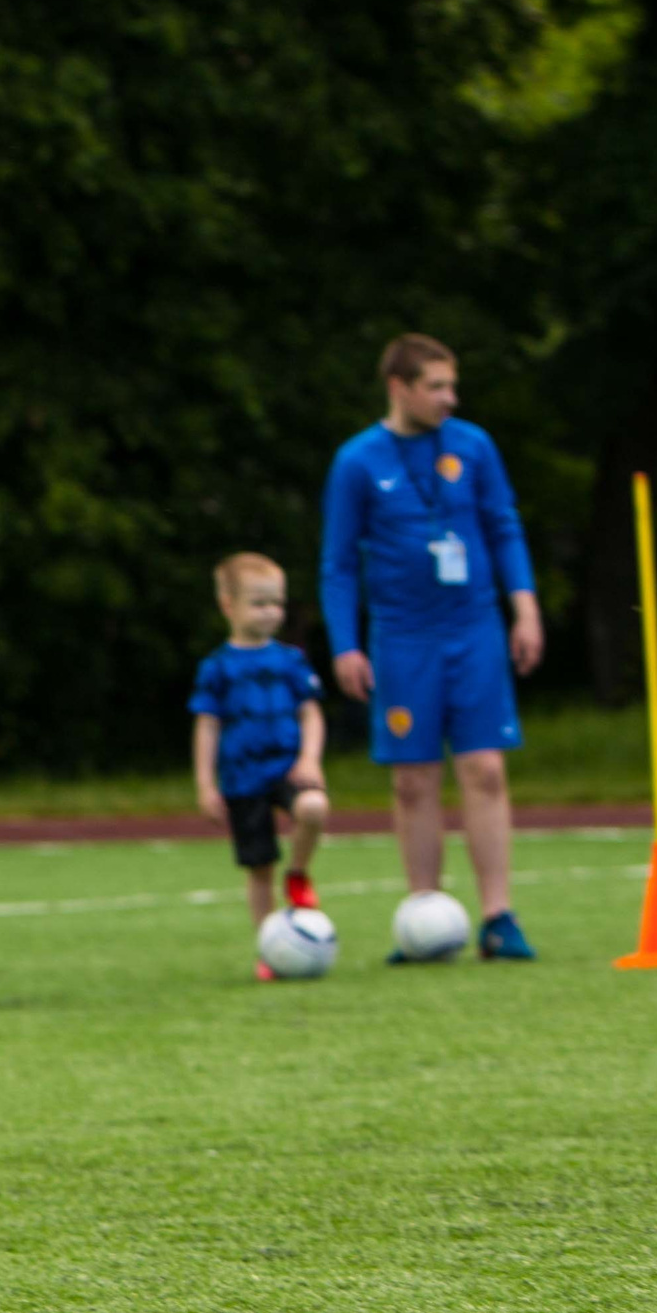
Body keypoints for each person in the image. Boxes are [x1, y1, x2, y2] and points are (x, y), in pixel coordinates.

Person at [323, 334, 543, 961]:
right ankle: (424, 915)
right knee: (413, 781)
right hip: (401, 638)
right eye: (436, 386)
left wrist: (523, 607)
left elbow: (504, 528)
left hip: (473, 629)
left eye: (452, 385)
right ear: (400, 388)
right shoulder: (358, 461)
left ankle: (499, 916)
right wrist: (346, 644)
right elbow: (338, 563)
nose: (451, 398)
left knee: (485, 768)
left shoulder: (473, 446)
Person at [191, 553, 332, 980]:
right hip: (242, 778)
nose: (271, 612)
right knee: (258, 869)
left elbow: (311, 714)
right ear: (227, 605)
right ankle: (271, 950)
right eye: (259, 603)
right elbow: (207, 727)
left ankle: (299, 872)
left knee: (313, 808)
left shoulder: (291, 661)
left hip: (288, 769)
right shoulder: (217, 668)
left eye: (277, 603)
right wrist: (205, 785)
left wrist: (309, 758)